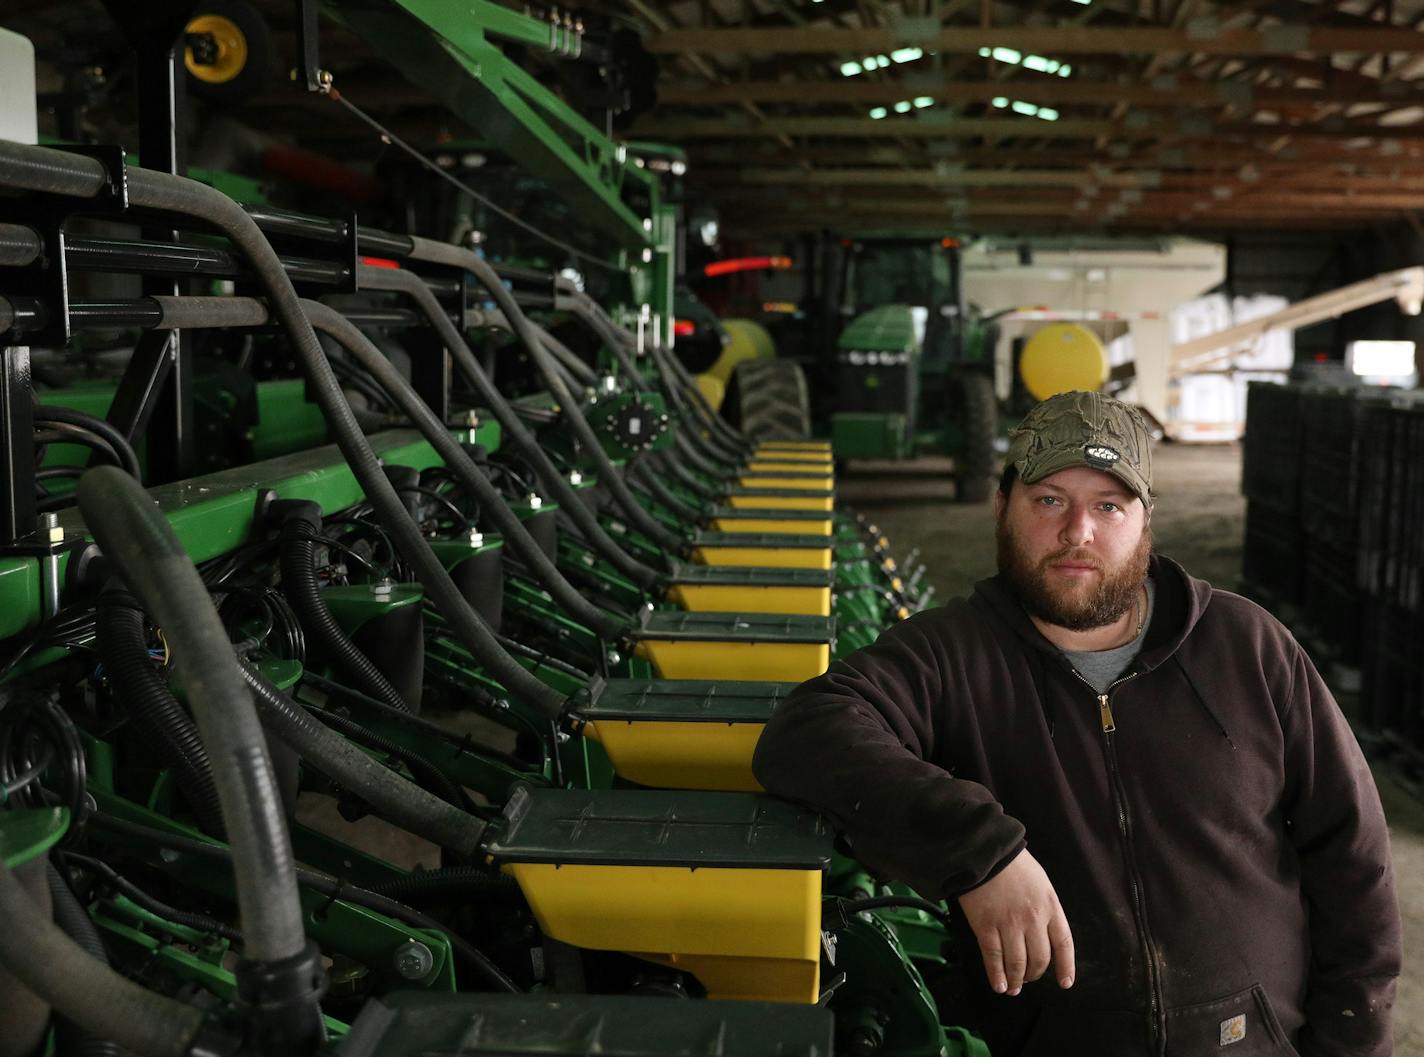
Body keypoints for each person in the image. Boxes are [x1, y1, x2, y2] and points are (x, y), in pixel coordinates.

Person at [753, 390, 1400, 1057]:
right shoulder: (952, 654)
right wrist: (980, 853)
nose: (1078, 532)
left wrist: (1351, 1042)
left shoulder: (1247, 647)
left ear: (1145, 520)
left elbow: (1352, 856)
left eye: (1108, 505)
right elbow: (808, 730)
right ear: (1002, 505)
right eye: (1050, 500)